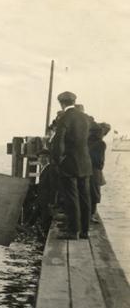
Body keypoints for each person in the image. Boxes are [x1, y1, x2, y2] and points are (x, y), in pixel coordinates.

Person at [51, 91, 93, 240]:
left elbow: (58, 142)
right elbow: (97, 132)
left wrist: (57, 160)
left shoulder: (64, 118)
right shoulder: (85, 117)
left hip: (69, 162)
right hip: (85, 162)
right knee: (85, 197)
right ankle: (85, 231)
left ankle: (73, 231)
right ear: (74, 101)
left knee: (72, 197)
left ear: (61, 103)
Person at [88, 122, 111, 223]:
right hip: (94, 170)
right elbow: (99, 161)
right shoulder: (101, 144)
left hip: (85, 169)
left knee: (87, 192)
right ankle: (91, 215)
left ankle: (88, 214)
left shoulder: (87, 141)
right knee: (95, 193)